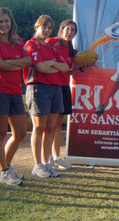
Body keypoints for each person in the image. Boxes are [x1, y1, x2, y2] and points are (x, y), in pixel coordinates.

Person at [0, 8, 31, 186]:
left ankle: (5, 166)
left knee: (20, 133)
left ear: (11, 22)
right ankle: (4, 171)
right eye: (0, 22)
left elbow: (27, 61)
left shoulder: (18, 41)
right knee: (1, 134)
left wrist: (8, 63)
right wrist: (14, 63)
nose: (3, 25)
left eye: (6, 21)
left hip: (14, 92)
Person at [24, 15, 70, 178]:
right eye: (44, 27)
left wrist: (52, 64)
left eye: (50, 28)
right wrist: (54, 65)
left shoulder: (50, 47)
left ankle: (46, 162)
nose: (47, 30)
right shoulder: (31, 44)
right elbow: (41, 67)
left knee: (50, 128)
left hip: (55, 88)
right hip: (38, 88)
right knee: (39, 127)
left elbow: (64, 66)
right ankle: (37, 165)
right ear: (37, 26)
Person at [46, 20, 78, 170]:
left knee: (59, 124)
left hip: (64, 86)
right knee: (49, 125)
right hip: (51, 86)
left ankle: (56, 156)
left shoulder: (70, 49)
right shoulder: (50, 42)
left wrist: (82, 69)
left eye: (72, 31)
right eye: (67, 29)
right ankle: (47, 158)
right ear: (61, 29)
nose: (69, 32)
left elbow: (68, 71)